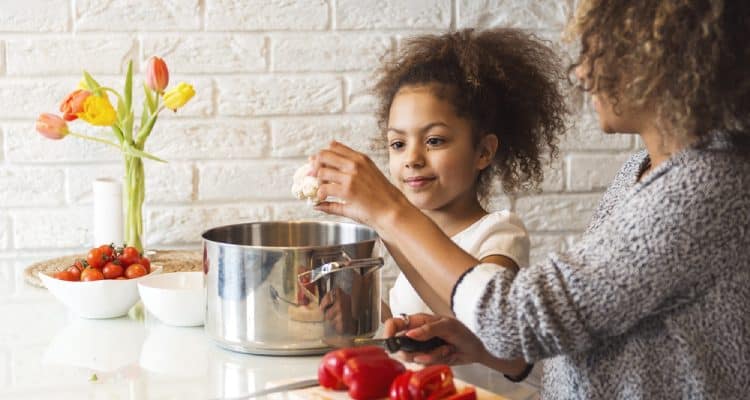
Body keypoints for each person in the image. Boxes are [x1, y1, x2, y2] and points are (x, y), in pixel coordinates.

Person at [310, 0, 750, 398]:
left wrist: (389, 209)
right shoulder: (642, 173)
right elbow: (579, 334)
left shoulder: (704, 188)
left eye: (598, 50)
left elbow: (516, 314)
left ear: (659, 59)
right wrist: (490, 352)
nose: (581, 73)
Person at [366, 29, 567, 325]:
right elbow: (409, 326)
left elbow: (483, 324)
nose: (412, 159)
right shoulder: (411, 238)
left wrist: (390, 219)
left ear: (483, 152)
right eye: (398, 144)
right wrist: (358, 304)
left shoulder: (499, 233)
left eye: (434, 141)